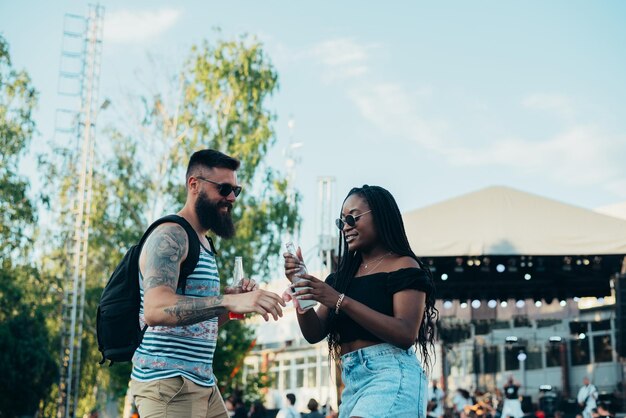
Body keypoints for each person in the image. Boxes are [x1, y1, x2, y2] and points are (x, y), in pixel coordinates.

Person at [130, 149, 286, 418]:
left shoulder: (203, 243)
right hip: (169, 384)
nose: (231, 198)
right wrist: (227, 300)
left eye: (236, 190)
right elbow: (155, 311)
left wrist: (234, 307)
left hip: (203, 384)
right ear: (194, 185)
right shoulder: (171, 235)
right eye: (224, 188)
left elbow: (199, 324)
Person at [283, 185, 437, 418]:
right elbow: (314, 333)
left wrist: (339, 300)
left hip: (391, 375)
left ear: (380, 215)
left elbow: (406, 334)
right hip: (353, 383)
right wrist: (301, 289)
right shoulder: (341, 277)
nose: (345, 227)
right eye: (341, 221)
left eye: (352, 218)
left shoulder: (403, 266)